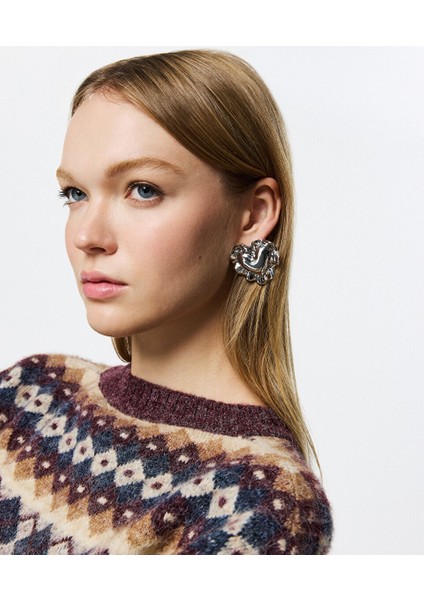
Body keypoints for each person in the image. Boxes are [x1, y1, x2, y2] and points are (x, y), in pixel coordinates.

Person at [0, 49, 333, 554]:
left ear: (253, 215)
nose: (88, 235)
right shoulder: (31, 395)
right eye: (75, 194)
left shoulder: (260, 504)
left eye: (143, 190)